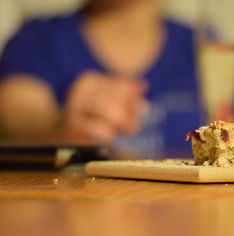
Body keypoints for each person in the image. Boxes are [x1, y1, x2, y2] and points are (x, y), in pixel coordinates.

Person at [0, 0, 202, 157]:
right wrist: (59, 126)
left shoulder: (202, 45)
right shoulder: (36, 39)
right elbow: (18, 117)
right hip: (75, 206)